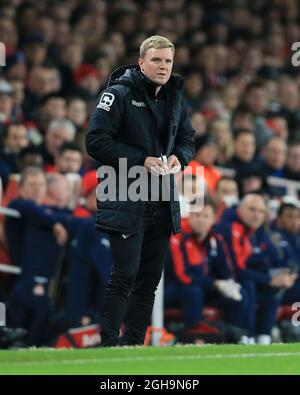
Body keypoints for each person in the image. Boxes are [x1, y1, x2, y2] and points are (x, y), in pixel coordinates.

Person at [86, 35, 195, 346]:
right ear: (141, 62)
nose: (163, 66)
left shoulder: (176, 96)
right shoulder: (118, 93)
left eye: (168, 61)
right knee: (125, 276)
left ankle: (134, 346)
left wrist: (180, 158)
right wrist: (140, 160)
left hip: (161, 197)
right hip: (124, 194)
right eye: (157, 60)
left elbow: (188, 138)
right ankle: (108, 344)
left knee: (149, 281)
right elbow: (95, 141)